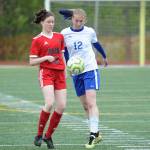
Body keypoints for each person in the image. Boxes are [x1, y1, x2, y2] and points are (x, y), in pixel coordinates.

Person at [60, 9, 108, 149]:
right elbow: (66, 52)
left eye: (81, 21)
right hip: (76, 72)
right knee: (85, 105)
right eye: (76, 20)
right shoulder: (64, 33)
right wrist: (68, 67)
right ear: (72, 19)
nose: (78, 23)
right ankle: (97, 133)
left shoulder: (89, 31)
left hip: (90, 69)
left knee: (92, 103)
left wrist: (104, 56)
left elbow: (96, 44)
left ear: (85, 21)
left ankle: (92, 135)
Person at [29, 9, 67, 149]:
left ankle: (48, 136)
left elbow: (62, 56)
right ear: (42, 22)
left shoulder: (59, 37)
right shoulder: (37, 40)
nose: (51, 24)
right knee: (49, 103)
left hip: (60, 74)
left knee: (62, 106)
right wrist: (46, 58)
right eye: (48, 22)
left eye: (53, 22)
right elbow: (32, 62)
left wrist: (66, 69)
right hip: (46, 73)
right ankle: (39, 135)